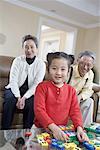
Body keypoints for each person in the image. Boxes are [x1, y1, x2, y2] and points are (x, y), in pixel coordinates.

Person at [34, 52, 89, 142]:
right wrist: (53, 128)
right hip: (40, 129)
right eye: (54, 68)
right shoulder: (42, 87)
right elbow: (39, 110)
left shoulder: (71, 91)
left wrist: (79, 128)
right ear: (48, 69)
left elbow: (75, 111)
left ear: (68, 71)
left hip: (61, 130)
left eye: (63, 69)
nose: (58, 73)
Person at [2, 35, 46, 129]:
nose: (29, 50)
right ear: (23, 48)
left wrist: (24, 98)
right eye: (26, 47)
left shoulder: (41, 64)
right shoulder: (17, 60)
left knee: (33, 103)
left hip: (30, 92)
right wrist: (18, 97)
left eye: (32, 47)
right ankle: (4, 132)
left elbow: (36, 84)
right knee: (10, 100)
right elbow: (13, 81)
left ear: (37, 49)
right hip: (14, 89)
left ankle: (27, 133)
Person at [67, 51, 95, 127]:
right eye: (82, 63)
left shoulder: (90, 74)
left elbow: (88, 90)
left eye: (88, 65)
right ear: (78, 61)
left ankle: (84, 129)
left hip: (77, 100)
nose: (85, 67)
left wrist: (79, 97)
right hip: (65, 99)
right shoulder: (70, 70)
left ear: (92, 65)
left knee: (89, 101)